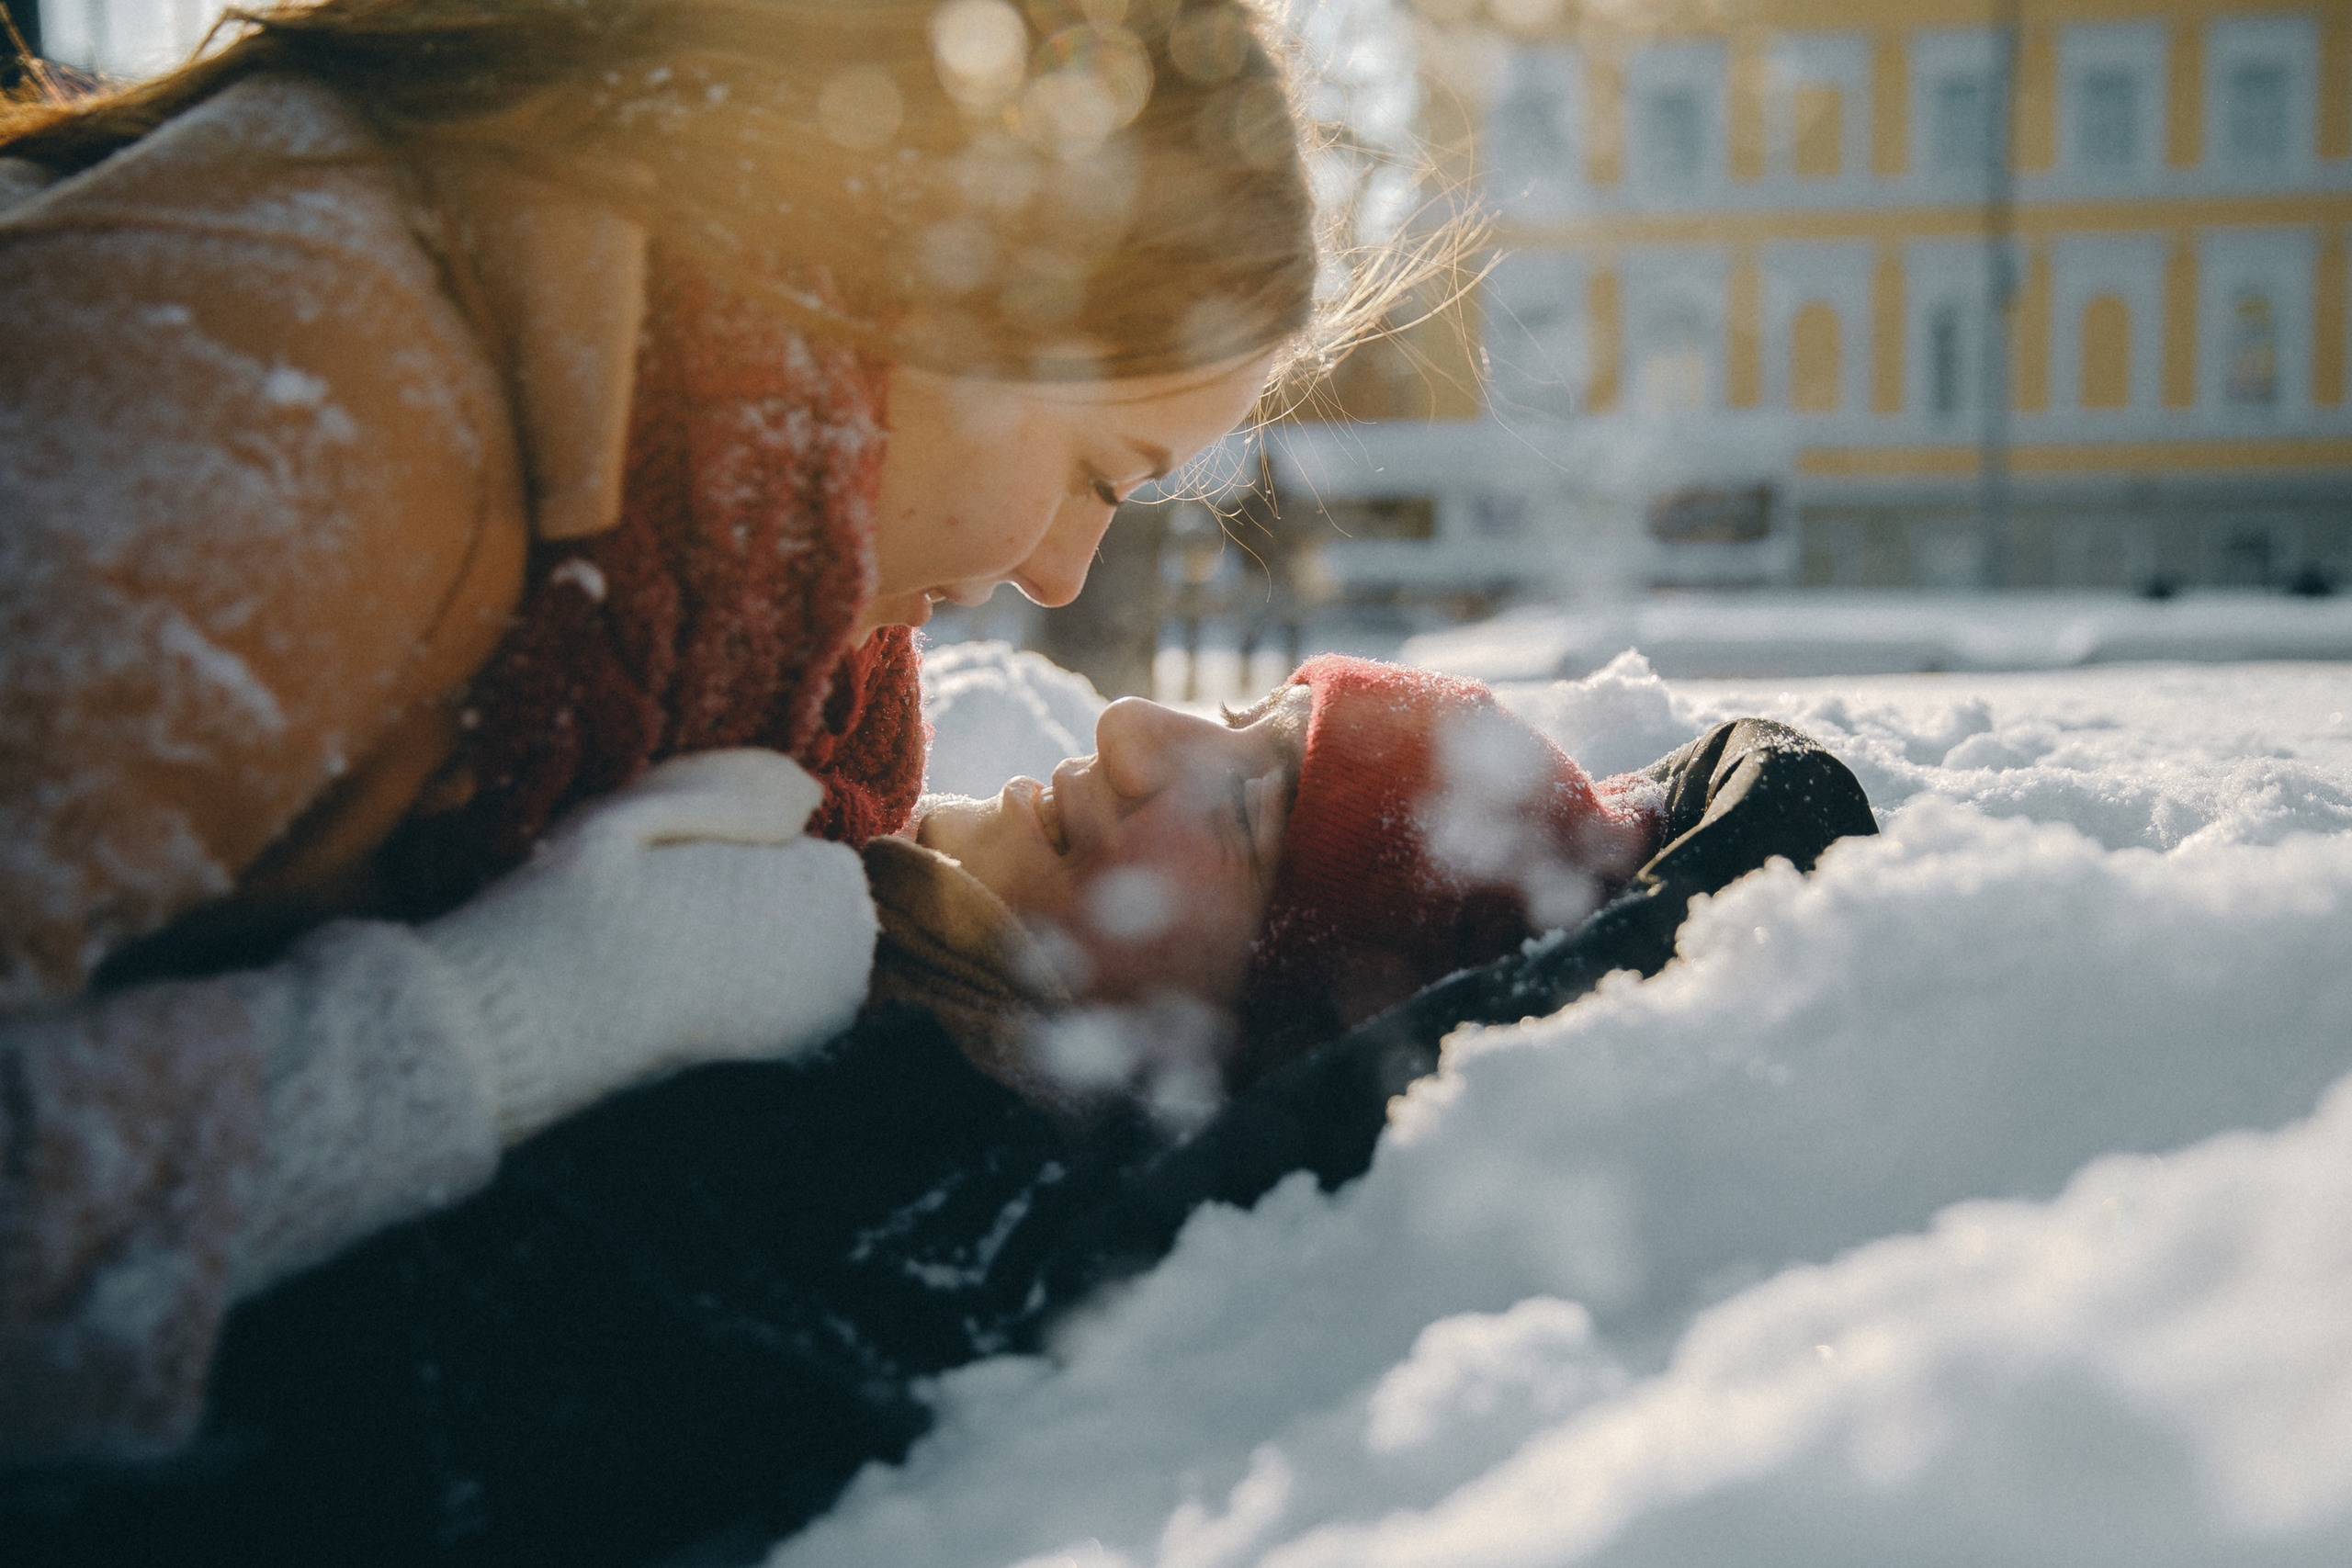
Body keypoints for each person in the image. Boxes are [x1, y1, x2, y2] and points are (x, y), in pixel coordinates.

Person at [0, 0, 1411, 1459]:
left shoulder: (718, 590)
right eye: (1097, 474)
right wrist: (499, 1028)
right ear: (939, 276)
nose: (1060, 575)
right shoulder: (289, 389)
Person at [0, 657, 1879, 1568]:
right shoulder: (823, 899)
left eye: (1230, 807)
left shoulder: (887, 1159)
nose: (1134, 723)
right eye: (1237, 709)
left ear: (1224, 1031)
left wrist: (524, 1011)